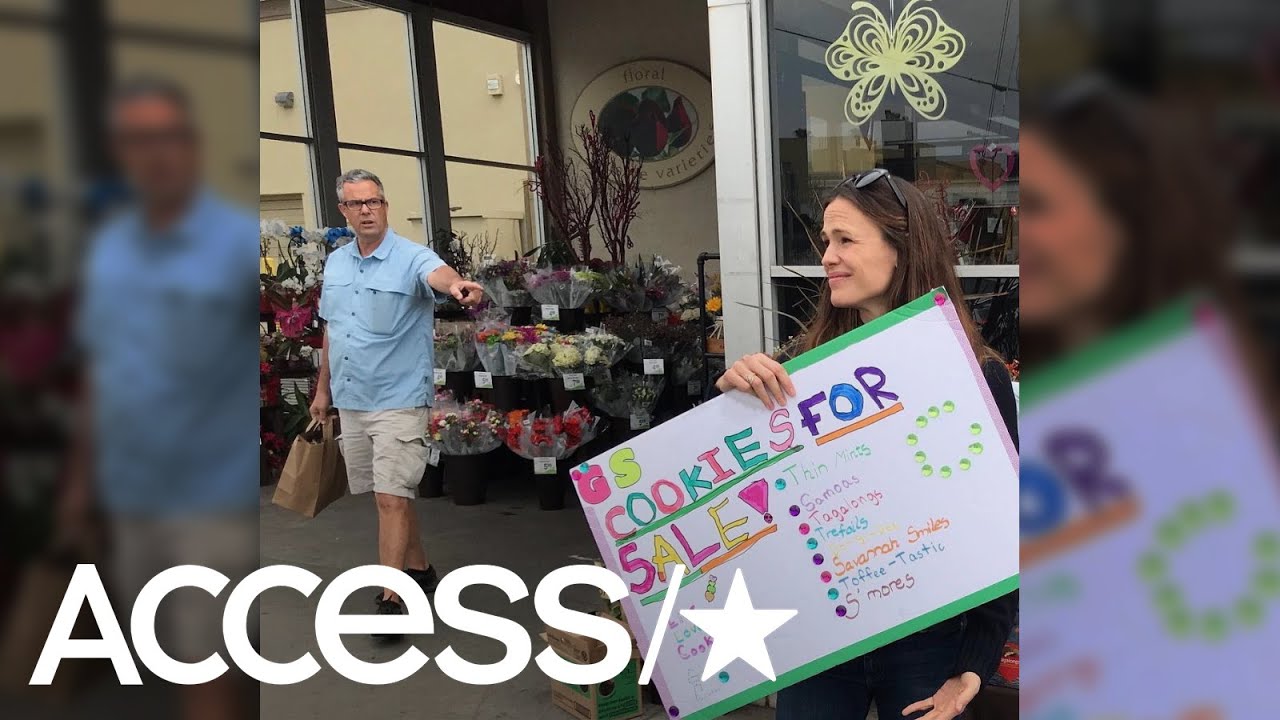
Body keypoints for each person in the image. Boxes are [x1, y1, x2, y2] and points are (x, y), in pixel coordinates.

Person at [716, 169, 1019, 720]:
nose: (827, 256)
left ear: (903, 250)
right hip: (821, 639)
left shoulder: (977, 376)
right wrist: (735, 400)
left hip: (930, 637)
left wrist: (974, 662)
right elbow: (742, 491)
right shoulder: (797, 377)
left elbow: (1003, 527)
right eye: (826, 241)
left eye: (846, 240)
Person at [68, 76, 260, 720]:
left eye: (170, 137)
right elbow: (99, 369)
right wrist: (78, 486)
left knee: (201, 666)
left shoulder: (232, 244)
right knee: (149, 659)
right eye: (139, 139)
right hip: (129, 487)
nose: (157, 153)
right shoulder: (110, 249)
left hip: (206, 494)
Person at [309, 169, 484, 635]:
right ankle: (422, 571)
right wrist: (323, 391)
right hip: (352, 397)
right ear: (343, 211)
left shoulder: (411, 257)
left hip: (399, 397)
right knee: (389, 497)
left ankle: (394, 598)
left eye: (375, 202)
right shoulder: (338, 264)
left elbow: (440, 275)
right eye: (357, 204)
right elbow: (332, 329)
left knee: (390, 497)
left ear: (385, 206)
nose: (367, 210)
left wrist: (458, 286)